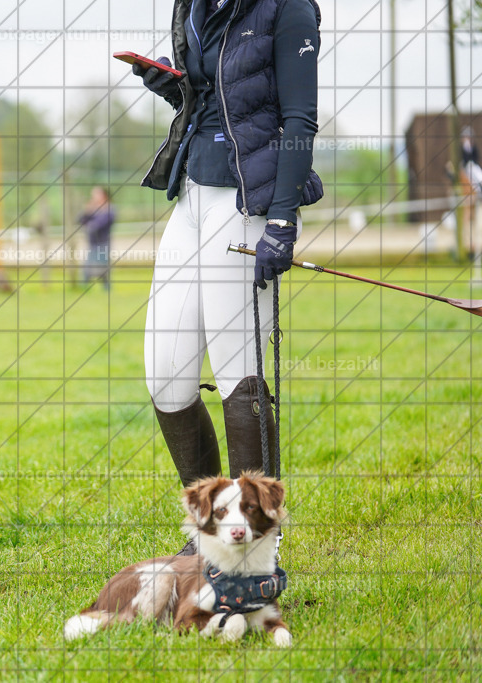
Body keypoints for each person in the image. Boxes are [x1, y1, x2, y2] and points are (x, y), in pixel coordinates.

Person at [135, 0, 324, 529]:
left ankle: (259, 540)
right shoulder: (194, 6)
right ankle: (212, 530)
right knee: (166, 377)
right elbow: (220, 98)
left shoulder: (289, 10)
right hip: (192, 195)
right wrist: (173, 86)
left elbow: (298, 119)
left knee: (240, 377)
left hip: (246, 201)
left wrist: (282, 220)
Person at [78, 186, 115, 290]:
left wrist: (89, 225)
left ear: (104, 195)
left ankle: (106, 290)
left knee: (102, 269)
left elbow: (98, 225)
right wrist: (87, 211)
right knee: (87, 268)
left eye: (96, 194)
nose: (93, 197)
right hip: (92, 243)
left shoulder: (109, 210)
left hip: (103, 243)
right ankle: (83, 289)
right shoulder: (94, 210)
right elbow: (81, 220)